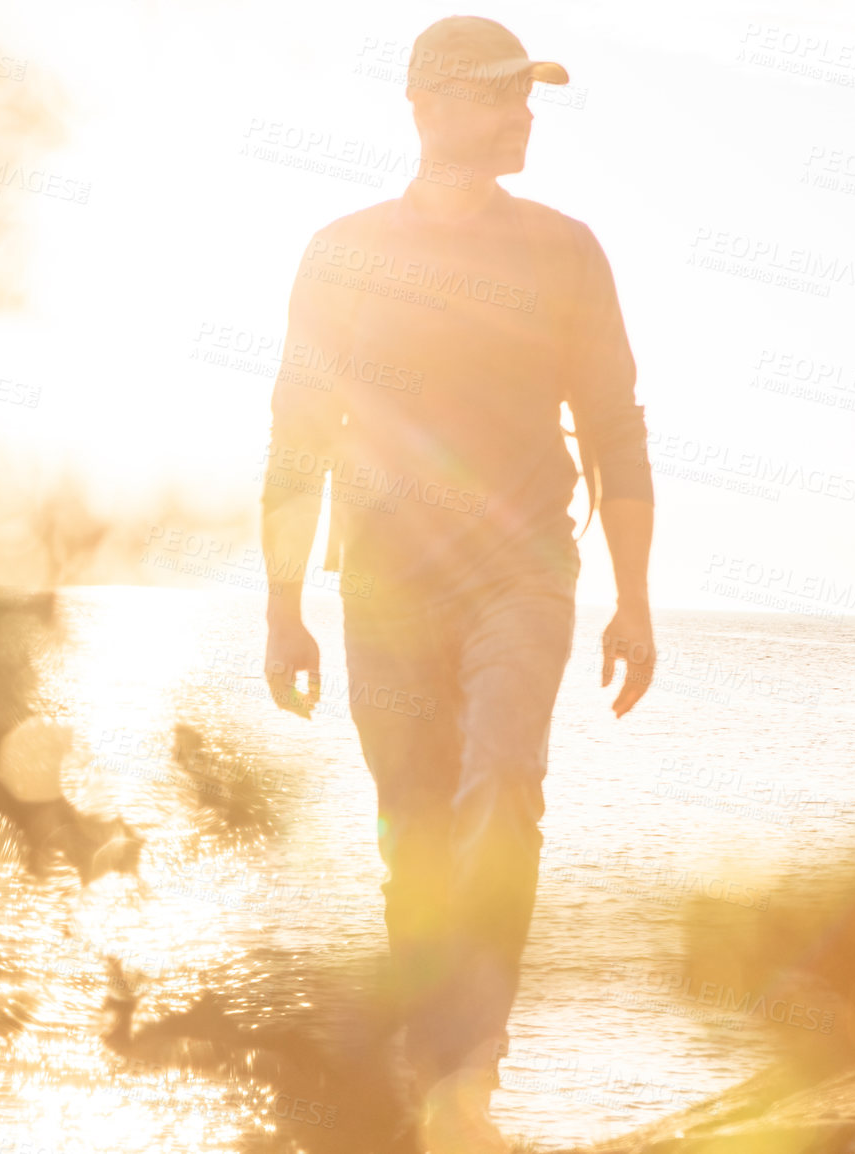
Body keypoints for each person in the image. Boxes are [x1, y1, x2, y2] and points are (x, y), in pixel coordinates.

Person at [258, 15, 657, 1152]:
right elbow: (297, 437)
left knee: (501, 782)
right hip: (380, 585)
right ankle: (430, 1071)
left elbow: (616, 430)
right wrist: (282, 607)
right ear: (428, 106)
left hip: (520, 575)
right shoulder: (342, 252)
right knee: (412, 829)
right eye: (498, 94)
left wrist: (633, 598)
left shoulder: (565, 251)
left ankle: (469, 1068)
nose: (523, 113)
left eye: (527, 95)